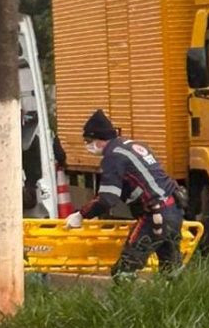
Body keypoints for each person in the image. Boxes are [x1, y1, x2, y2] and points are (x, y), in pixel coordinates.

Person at [65, 109, 185, 278]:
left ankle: (128, 303)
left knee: (124, 271)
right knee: (171, 270)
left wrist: (81, 215)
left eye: (88, 141)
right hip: (174, 209)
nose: (87, 146)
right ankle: (176, 301)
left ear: (100, 139)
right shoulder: (133, 146)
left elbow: (107, 199)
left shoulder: (113, 156)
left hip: (155, 216)